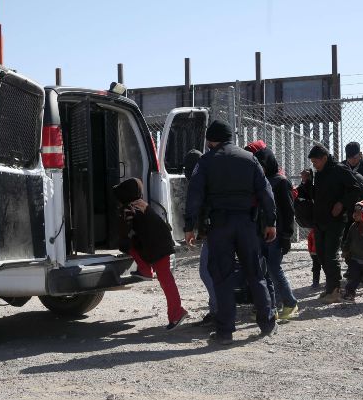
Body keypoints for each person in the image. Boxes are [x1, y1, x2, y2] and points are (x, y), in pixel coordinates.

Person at [184, 120, 277, 345]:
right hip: (247, 224)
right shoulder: (249, 158)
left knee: (222, 276)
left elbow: (194, 195)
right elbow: (266, 192)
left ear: (210, 140)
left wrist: (189, 226)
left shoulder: (205, 162)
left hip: (220, 225)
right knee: (255, 272)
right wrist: (270, 222)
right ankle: (267, 323)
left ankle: (225, 332)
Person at [114, 177, 188, 330]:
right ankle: (175, 311)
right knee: (166, 280)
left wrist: (123, 239)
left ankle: (177, 313)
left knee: (166, 281)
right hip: (162, 243)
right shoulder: (141, 204)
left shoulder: (129, 208)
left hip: (157, 247)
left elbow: (125, 229)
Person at [248, 143, 299, 321]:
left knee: (274, 268)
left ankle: (291, 303)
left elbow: (288, 211)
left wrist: (287, 236)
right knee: (266, 271)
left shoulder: (280, 182)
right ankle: (272, 306)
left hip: (276, 234)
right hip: (262, 232)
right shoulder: (262, 181)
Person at [307, 143, 362, 304]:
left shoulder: (340, 170)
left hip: (335, 221)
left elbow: (355, 189)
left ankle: (336, 289)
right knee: (321, 255)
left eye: (316, 161)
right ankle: (330, 288)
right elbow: (316, 196)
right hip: (320, 220)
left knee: (330, 255)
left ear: (324, 158)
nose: (314, 165)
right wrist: (307, 182)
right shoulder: (319, 173)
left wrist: (342, 204)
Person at [183, 150, 216, 327]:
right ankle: (216, 310)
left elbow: (197, 207)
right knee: (210, 271)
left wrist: (191, 230)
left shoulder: (201, 180)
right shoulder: (210, 176)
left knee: (207, 271)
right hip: (217, 231)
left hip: (215, 232)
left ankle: (218, 311)